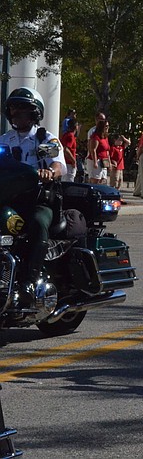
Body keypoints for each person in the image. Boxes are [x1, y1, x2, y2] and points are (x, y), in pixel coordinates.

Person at [0, 87, 67, 304]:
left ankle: (30, 280)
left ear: (35, 113)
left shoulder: (44, 139)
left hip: (39, 200)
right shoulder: (5, 140)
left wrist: (50, 172)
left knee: (38, 223)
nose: (17, 113)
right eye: (13, 109)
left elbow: (59, 165)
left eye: (23, 109)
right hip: (10, 198)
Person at [87, 119, 111, 184]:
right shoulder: (95, 137)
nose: (107, 127)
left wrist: (109, 163)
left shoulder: (105, 137)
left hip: (103, 161)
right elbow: (93, 150)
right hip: (96, 160)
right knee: (95, 180)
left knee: (102, 180)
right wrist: (95, 162)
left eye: (108, 126)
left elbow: (107, 151)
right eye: (106, 126)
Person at [60, 117, 79, 182]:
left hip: (65, 162)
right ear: (76, 126)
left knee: (64, 180)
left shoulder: (65, 135)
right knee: (69, 181)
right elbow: (66, 149)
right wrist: (73, 161)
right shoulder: (71, 136)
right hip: (69, 163)